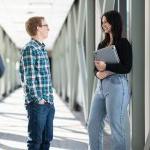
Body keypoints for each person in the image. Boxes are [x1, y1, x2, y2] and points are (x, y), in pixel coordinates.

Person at [88, 10, 132, 150]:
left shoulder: (123, 43)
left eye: (106, 22)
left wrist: (107, 67)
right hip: (101, 87)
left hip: (117, 85)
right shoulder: (101, 45)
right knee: (93, 124)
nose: (104, 25)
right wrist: (97, 74)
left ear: (114, 22)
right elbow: (95, 67)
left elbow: (126, 67)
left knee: (116, 126)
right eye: (102, 22)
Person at [19, 16, 55, 150]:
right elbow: (29, 78)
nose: (48, 28)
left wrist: (49, 101)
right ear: (38, 28)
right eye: (46, 25)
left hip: (48, 102)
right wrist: (38, 99)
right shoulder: (30, 49)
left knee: (46, 141)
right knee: (35, 142)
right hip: (38, 104)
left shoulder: (42, 49)